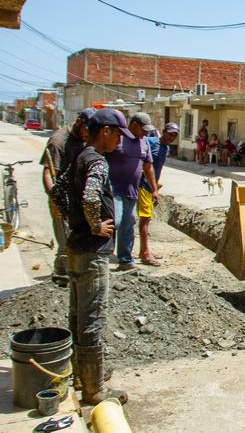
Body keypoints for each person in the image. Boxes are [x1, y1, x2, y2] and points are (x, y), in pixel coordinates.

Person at [51, 108, 129, 405]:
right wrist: (95, 225)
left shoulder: (79, 156)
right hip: (93, 251)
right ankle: (94, 389)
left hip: (75, 246)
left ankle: (79, 375)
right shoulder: (97, 161)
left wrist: (75, 222)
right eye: (118, 134)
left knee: (77, 313)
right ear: (105, 131)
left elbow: (58, 194)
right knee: (92, 316)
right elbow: (89, 197)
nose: (120, 140)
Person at [40, 108, 95, 286]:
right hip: (62, 197)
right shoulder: (58, 141)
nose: (89, 135)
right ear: (79, 124)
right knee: (65, 241)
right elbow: (48, 173)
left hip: (79, 197)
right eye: (88, 130)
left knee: (77, 239)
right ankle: (62, 277)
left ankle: (66, 272)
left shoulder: (86, 139)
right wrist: (55, 198)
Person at [107, 112, 159, 269]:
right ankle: (102, 254)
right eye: (143, 129)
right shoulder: (118, 138)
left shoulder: (144, 142)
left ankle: (125, 260)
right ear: (134, 125)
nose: (145, 133)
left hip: (131, 190)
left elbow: (148, 166)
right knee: (115, 221)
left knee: (128, 223)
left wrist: (154, 189)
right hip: (113, 188)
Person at [137, 123, 178, 265]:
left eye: (174, 135)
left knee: (147, 219)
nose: (171, 137)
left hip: (151, 187)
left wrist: (155, 187)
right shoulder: (150, 142)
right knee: (145, 218)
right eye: (170, 134)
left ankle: (144, 249)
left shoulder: (166, 148)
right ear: (163, 132)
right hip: (144, 185)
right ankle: (145, 253)